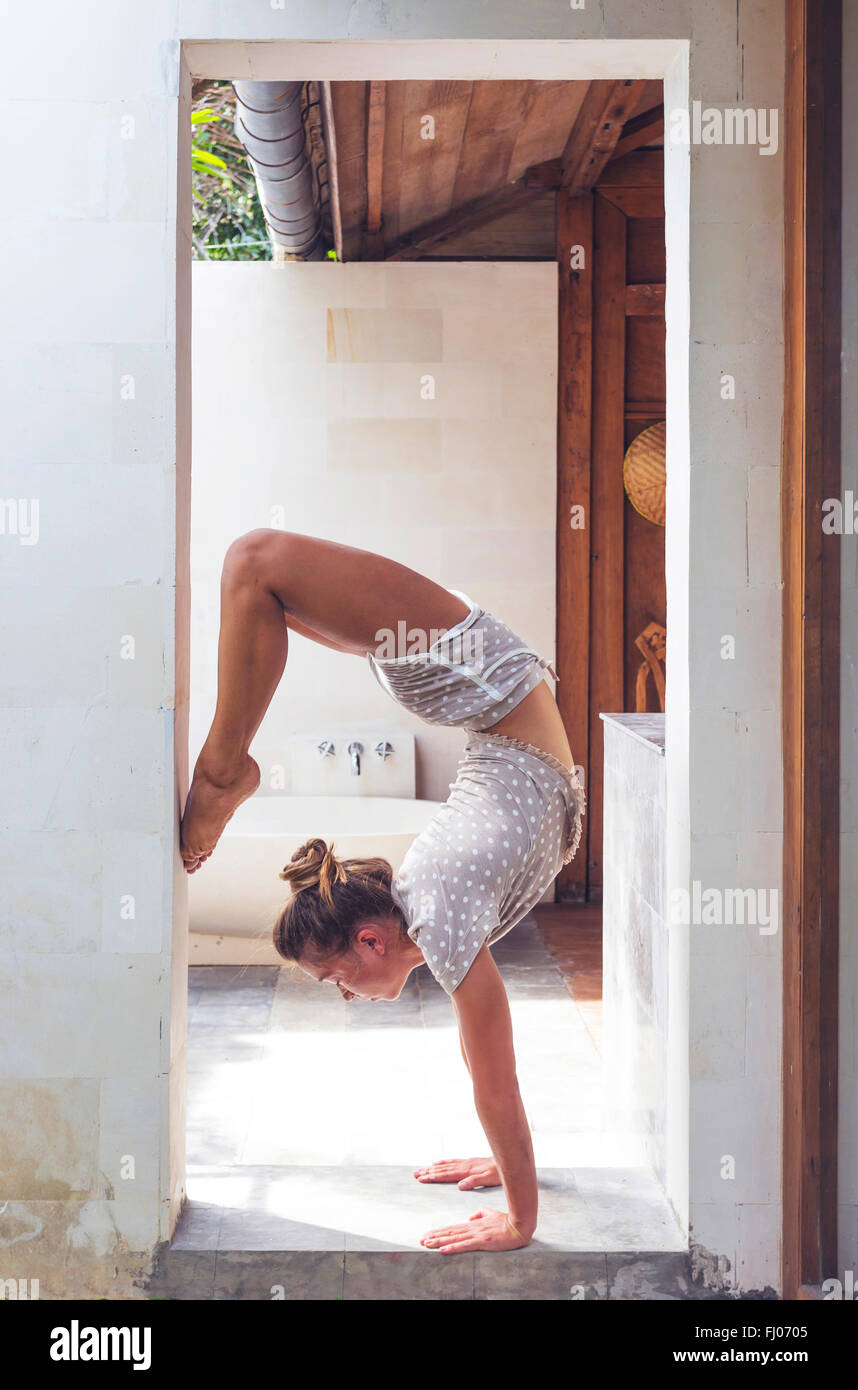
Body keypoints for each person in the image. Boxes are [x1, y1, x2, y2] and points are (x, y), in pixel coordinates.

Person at [180, 530, 584, 1254]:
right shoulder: (438, 912)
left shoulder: (437, 905)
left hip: (473, 669)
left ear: (372, 939)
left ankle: (222, 769)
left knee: (253, 561)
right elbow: (484, 1062)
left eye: (333, 975)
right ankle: (226, 760)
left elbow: (497, 1081)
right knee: (262, 582)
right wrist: (505, 1159)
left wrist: (521, 1223)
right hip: (478, 682)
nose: (341, 992)